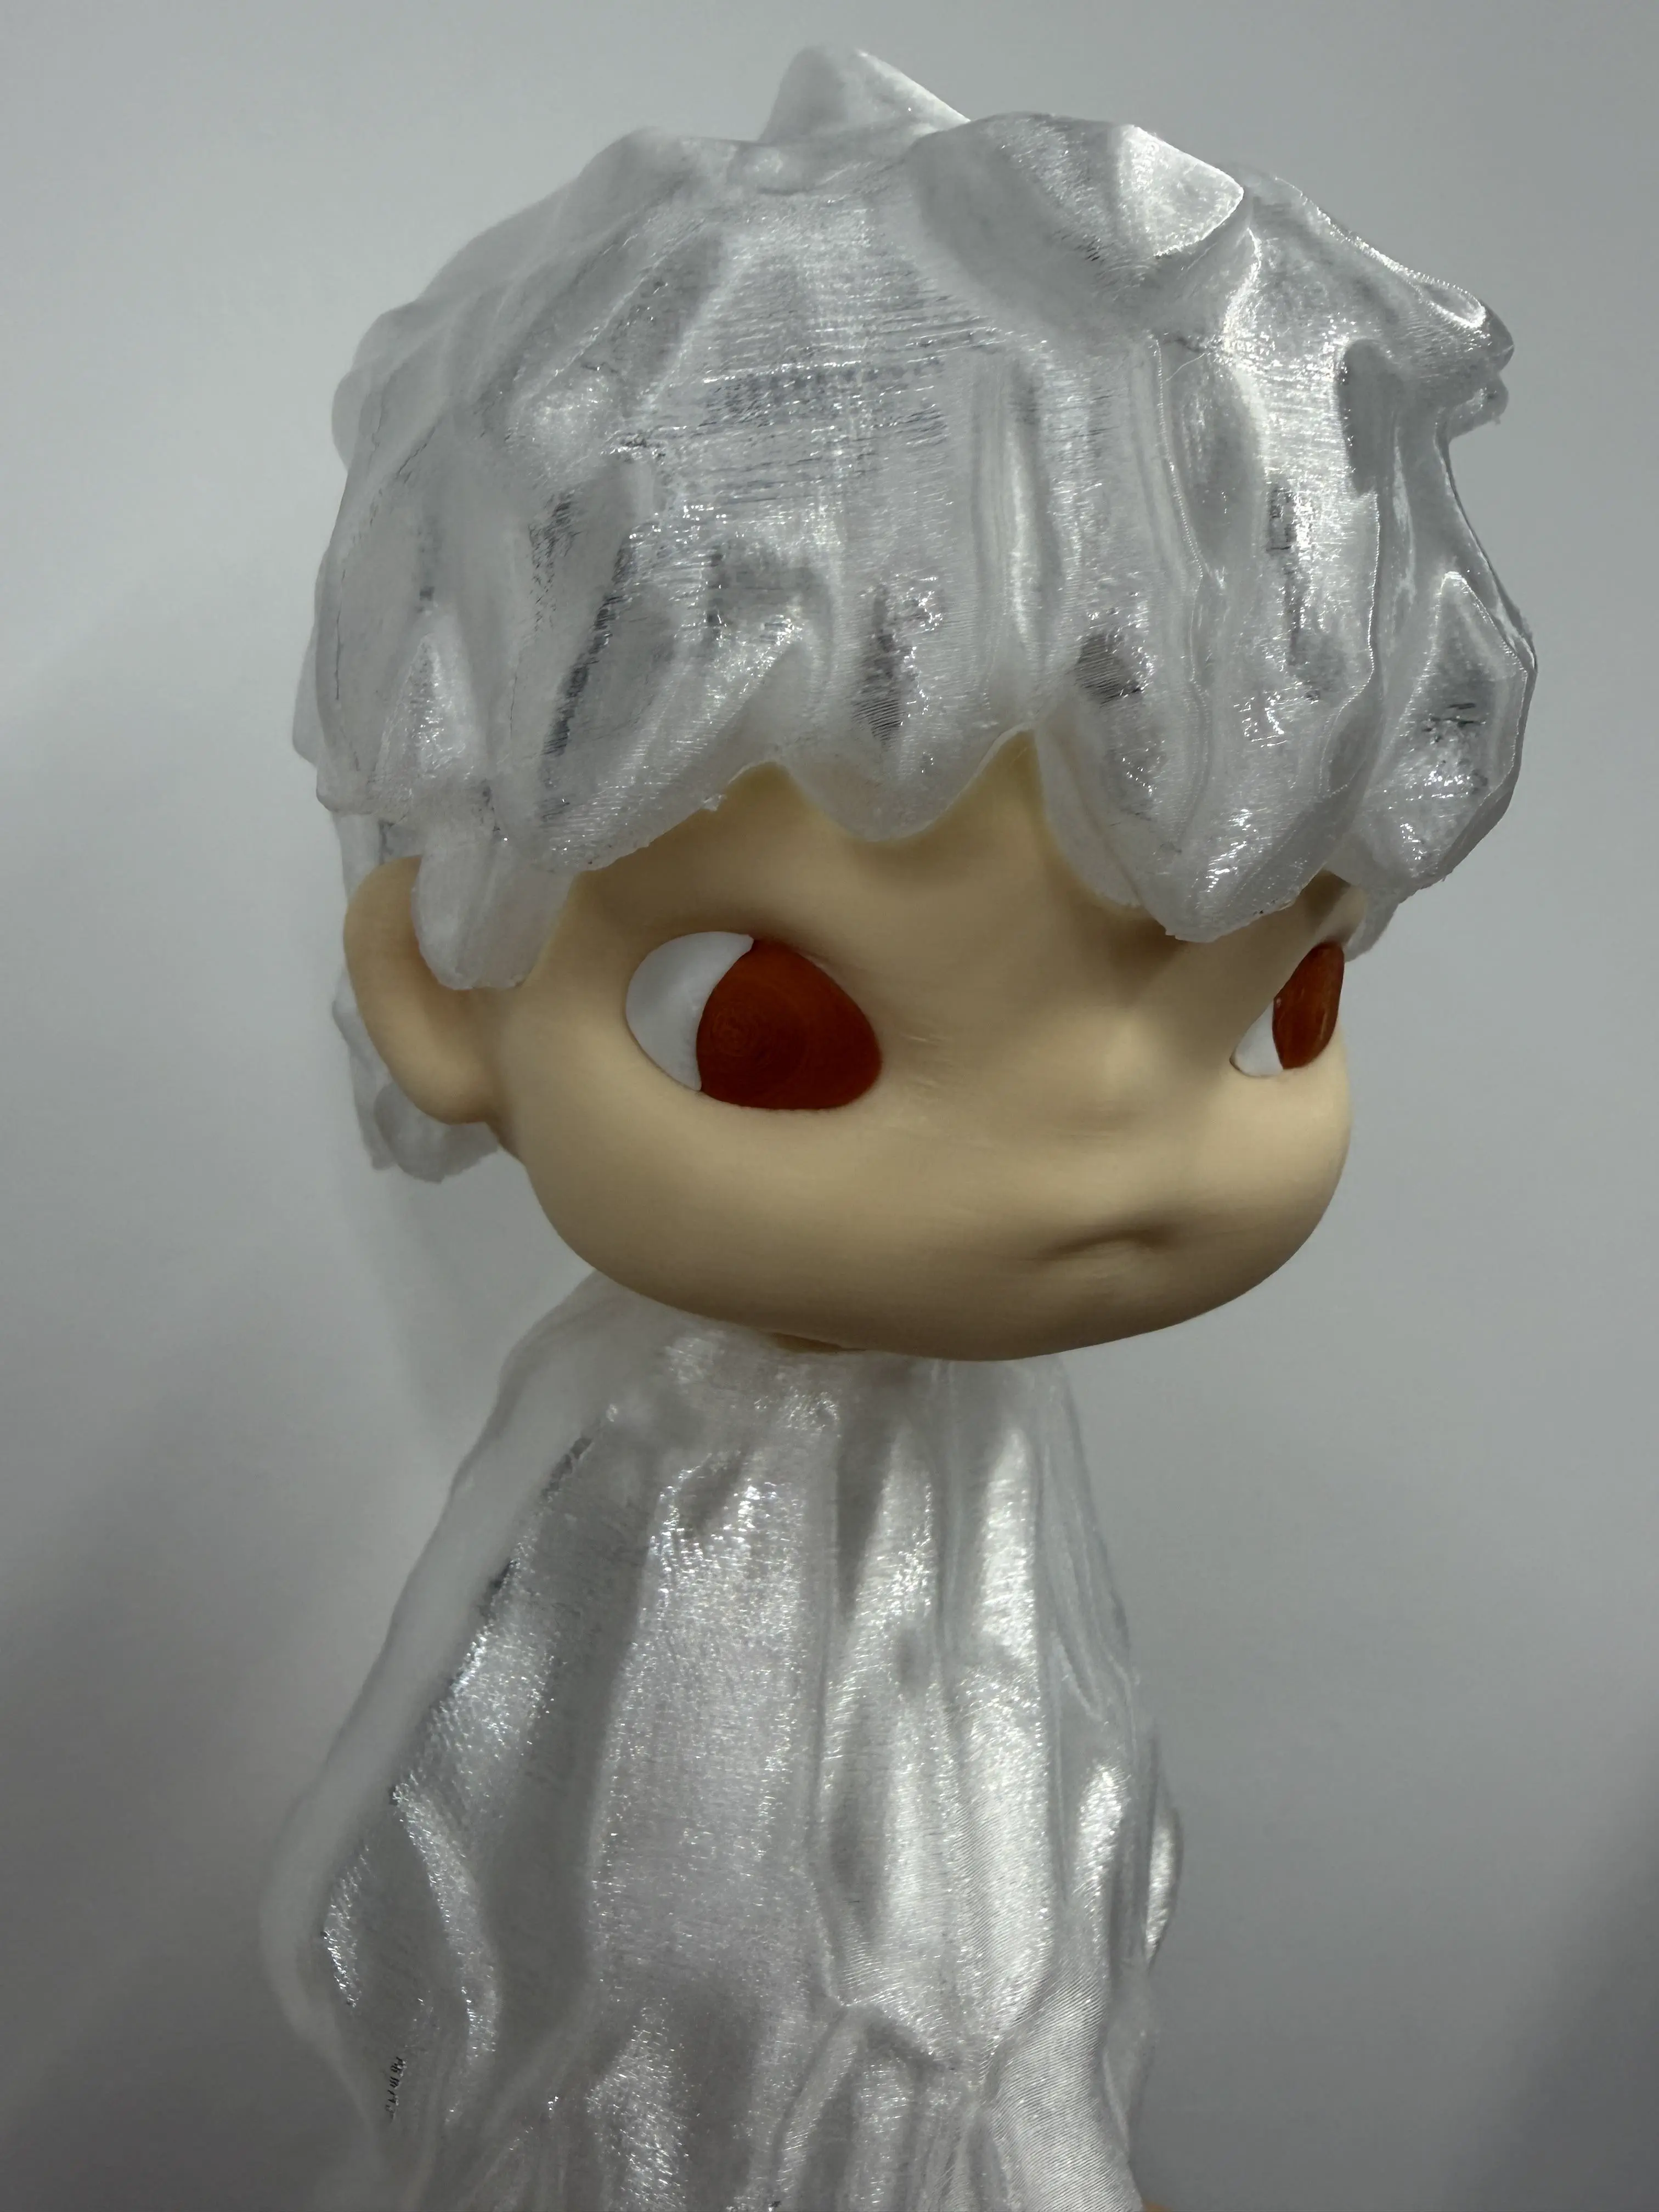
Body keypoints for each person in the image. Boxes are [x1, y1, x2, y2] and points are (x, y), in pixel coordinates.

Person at [265, 48, 1532, 2211]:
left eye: (1279, 999)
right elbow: (463, 1884)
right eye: (781, 1033)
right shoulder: (643, 1507)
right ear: (439, 993)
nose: (1093, 1162)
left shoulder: (986, 1510)